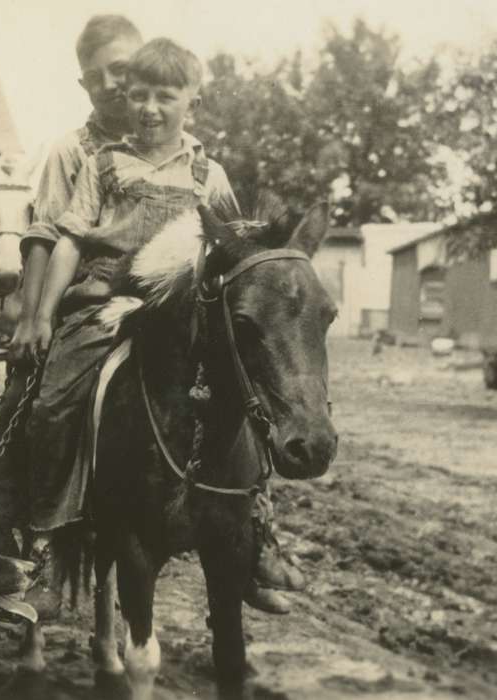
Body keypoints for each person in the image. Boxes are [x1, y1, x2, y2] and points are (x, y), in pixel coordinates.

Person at [28, 37, 305, 615]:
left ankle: (256, 538)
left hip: (181, 309)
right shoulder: (104, 166)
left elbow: (233, 251)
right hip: (107, 300)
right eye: (138, 97)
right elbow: (71, 240)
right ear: (124, 102)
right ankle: (52, 541)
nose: (150, 109)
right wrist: (45, 314)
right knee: (53, 402)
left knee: (244, 400)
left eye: (165, 97)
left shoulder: (210, 172)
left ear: (192, 105)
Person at [0, 14, 143, 618]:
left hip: (163, 299)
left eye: (123, 69)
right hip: (88, 300)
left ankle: (252, 530)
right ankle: (15, 521)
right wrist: (31, 317)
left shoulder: (181, 146)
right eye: (97, 77)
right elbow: (45, 235)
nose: (113, 85)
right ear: (84, 85)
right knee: (37, 394)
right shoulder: (72, 150)